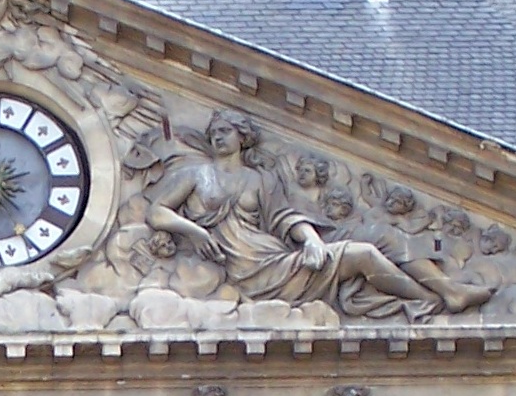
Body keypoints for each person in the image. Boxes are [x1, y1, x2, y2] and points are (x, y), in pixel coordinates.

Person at [144, 110, 490, 319]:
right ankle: (431, 302)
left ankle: (448, 289)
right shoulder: (194, 175)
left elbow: (284, 218)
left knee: (382, 236)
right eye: (213, 133)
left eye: (225, 131)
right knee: (363, 255)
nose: (217, 137)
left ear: (243, 137)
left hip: (277, 254)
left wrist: (311, 240)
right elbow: (156, 212)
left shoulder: (260, 179)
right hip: (253, 270)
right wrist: (194, 231)